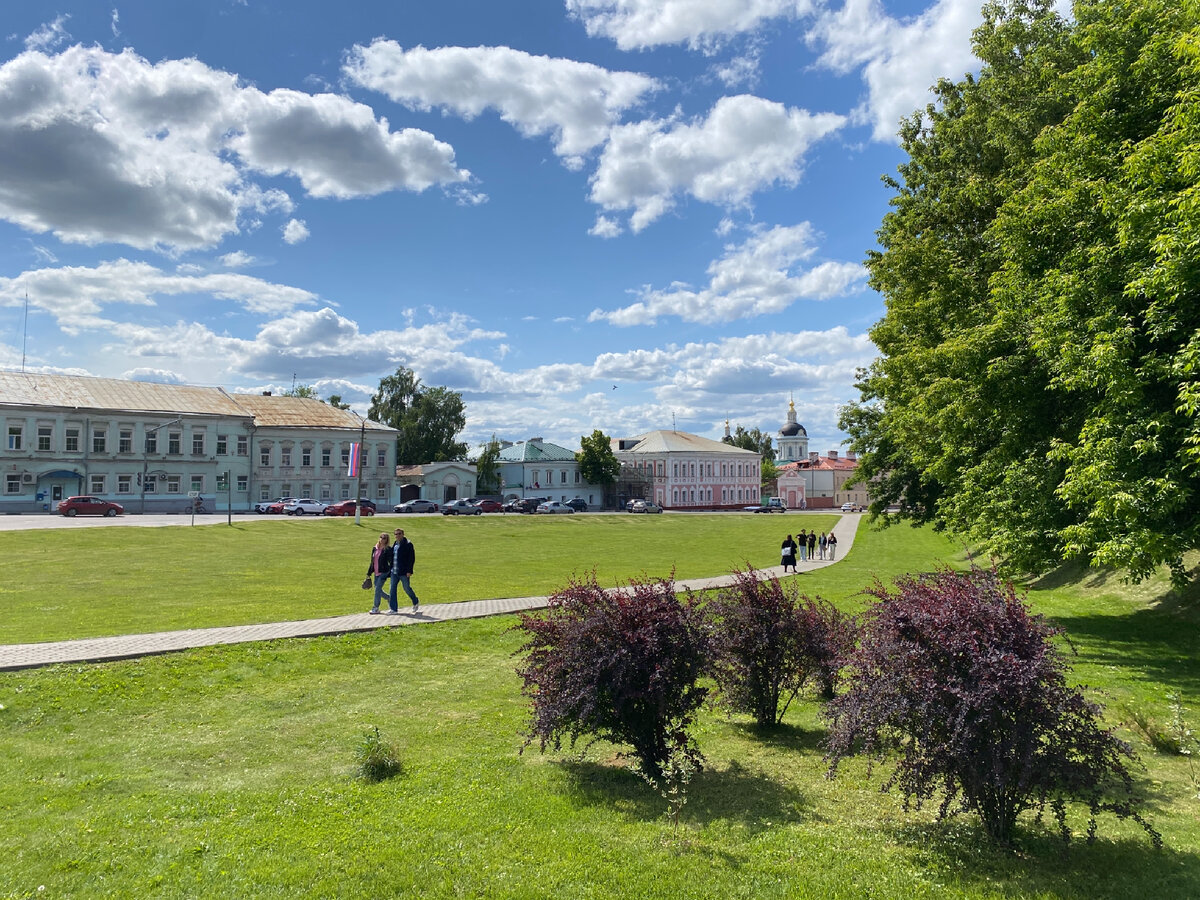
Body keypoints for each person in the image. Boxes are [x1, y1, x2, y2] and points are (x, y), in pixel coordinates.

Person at [390, 527, 420, 614]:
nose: (397, 536)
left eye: (399, 534)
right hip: (394, 571)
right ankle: (393, 609)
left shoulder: (408, 544)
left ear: (403, 534)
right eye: (396, 534)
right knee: (392, 589)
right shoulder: (395, 544)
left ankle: (415, 601)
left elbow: (411, 558)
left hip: (403, 572)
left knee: (406, 588)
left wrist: (409, 571)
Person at [365, 533, 393, 614]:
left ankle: (376, 607)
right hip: (376, 572)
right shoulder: (375, 548)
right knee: (377, 589)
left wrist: (390, 571)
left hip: (384, 572)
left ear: (387, 540)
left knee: (377, 589)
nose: (382, 539)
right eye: (381, 537)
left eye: (384, 538)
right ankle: (389, 598)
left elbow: (391, 562)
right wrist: (369, 573)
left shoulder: (387, 549)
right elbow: (372, 562)